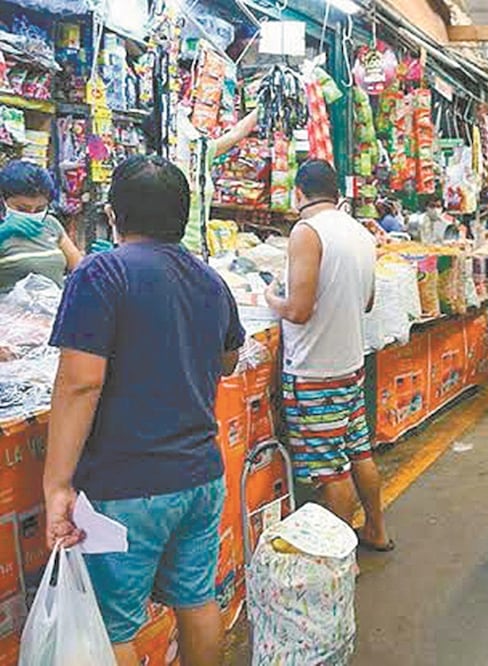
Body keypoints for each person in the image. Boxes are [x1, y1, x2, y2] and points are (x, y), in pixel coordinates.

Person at [43, 155, 244, 666]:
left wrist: (56, 484)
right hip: (201, 476)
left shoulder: (101, 272)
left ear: (114, 214)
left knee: (112, 628)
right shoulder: (210, 280)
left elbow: (80, 384)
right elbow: (228, 359)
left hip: (126, 486)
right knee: (197, 600)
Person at [264, 160, 391, 552]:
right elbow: (368, 302)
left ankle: (341, 557)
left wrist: (271, 298)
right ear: (336, 194)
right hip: (350, 366)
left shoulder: (308, 231)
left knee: (331, 472)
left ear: (299, 193)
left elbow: (299, 311)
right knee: (359, 453)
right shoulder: (361, 233)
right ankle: (376, 530)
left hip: (314, 372)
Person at [176, 108, 260, 255]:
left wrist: (263, 105)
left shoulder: (200, 152)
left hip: (198, 250)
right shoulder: (160, 166)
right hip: (173, 253)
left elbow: (236, 133)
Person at [0, 160, 83, 294]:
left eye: (40, 209)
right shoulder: (4, 230)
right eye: (22, 209)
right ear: (3, 201)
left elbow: (80, 269)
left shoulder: (50, 224)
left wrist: (99, 261)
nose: (31, 214)